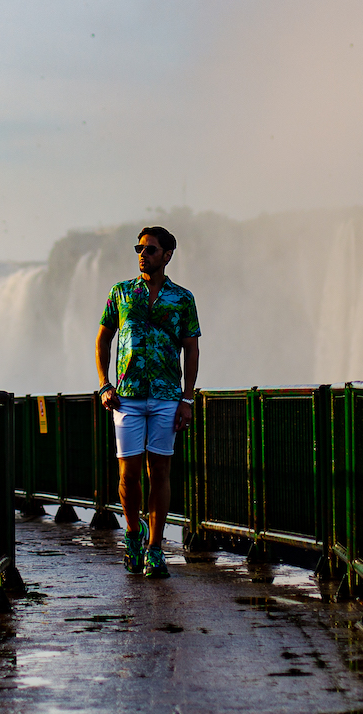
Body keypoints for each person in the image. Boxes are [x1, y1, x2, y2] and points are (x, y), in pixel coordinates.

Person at [96, 225, 200, 579]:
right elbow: (103, 339)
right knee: (129, 474)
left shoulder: (183, 299)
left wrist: (187, 398)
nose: (142, 254)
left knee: (161, 474)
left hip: (166, 397)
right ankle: (133, 535)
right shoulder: (121, 293)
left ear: (167, 255)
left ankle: (156, 550)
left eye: (150, 249)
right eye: (139, 248)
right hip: (126, 398)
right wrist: (104, 384)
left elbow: (191, 348)